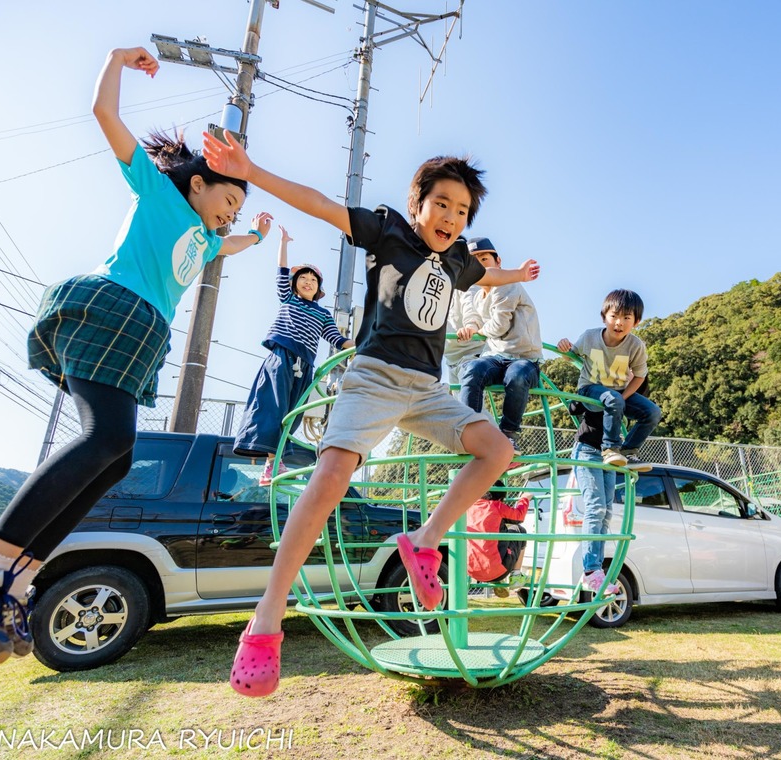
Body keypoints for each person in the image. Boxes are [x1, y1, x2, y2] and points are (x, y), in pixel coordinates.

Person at [0, 46, 272, 665]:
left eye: (235, 212)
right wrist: (115, 60)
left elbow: (227, 246)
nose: (228, 215)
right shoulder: (159, 194)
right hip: (112, 307)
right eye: (227, 201)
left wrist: (257, 235)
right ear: (198, 182)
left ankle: (14, 583)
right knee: (105, 438)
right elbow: (104, 113)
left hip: (143, 332)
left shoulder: (205, 238)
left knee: (115, 458)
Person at [200, 130, 540, 697]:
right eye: (442, 204)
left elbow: (488, 276)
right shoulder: (388, 231)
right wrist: (252, 172)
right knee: (331, 475)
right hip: (375, 375)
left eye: (462, 211)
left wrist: (518, 276)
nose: (451, 217)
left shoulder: (458, 259)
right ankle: (267, 616)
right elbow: (320, 204)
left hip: (426, 389)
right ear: (417, 204)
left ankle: (425, 540)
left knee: (497, 450)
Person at [233, 225, 354, 485]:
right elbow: (281, 271)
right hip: (282, 358)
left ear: (318, 288)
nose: (308, 282)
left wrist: (360, 346)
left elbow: (337, 338)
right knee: (274, 407)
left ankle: (275, 462)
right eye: (303, 278)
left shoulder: (322, 314)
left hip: (305, 365)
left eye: (313, 280)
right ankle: (271, 462)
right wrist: (284, 243)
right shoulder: (288, 299)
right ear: (295, 284)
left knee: (293, 413)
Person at [456, 237, 543, 455]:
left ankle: (508, 434)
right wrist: (470, 328)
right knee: (472, 369)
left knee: (517, 376)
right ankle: (470, 430)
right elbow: (475, 320)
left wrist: (477, 331)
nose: (480, 266)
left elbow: (499, 325)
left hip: (524, 358)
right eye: (474, 262)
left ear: (498, 262)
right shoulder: (478, 295)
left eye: (484, 259)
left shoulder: (506, 284)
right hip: (496, 356)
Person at [557, 289, 661, 468]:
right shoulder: (590, 337)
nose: (619, 323)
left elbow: (639, 376)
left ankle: (628, 451)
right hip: (590, 388)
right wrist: (564, 348)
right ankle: (610, 448)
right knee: (613, 399)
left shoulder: (635, 345)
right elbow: (570, 355)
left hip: (618, 391)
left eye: (627, 317)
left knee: (652, 412)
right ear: (604, 317)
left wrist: (624, 397)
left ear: (636, 322)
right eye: (614, 316)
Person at [567, 377, 652, 594]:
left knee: (606, 511)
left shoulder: (626, 400)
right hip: (587, 450)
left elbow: (645, 411)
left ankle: (596, 569)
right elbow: (573, 407)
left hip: (609, 456)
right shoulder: (603, 392)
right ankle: (590, 570)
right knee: (595, 508)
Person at [466, 479, 530, 595]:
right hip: (497, 570)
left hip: (472, 571)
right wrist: (525, 499)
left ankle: (497, 580)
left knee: (491, 537)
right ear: (500, 499)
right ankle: (516, 576)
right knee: (518, 530)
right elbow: (519, 516)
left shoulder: (469, 507)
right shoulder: (496, 506)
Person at [444, 287, 482, 385]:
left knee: (469, 393)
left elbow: (470, 302)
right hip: (451, 360)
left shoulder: (465, 284)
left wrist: (471, 325)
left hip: (471, 357)